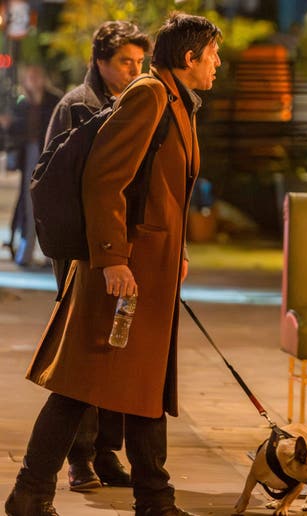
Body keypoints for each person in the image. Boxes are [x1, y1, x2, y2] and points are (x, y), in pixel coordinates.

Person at [4, 12, 221, 516]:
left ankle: (151, 497)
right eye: (213, 56)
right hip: (123, 272)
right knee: (82, 383)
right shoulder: (150, 95)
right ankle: (34, 492)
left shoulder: (177, 100)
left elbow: (162, 192)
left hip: (147, 271)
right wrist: (112, 259)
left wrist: (178, 251)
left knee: (140, 384)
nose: (217, 65)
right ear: (189, 57)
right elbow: (105, 180)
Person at [42, 20, 152, 493]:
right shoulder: (79, 106)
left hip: (117, 245)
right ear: (100, 61)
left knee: (115, 346)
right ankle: (80, 457)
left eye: (140, 62)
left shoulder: (136, 101)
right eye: (125, 61)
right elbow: (64, 182)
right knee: (84, 351)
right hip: (83, 246)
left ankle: (107, 451)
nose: (134, 70)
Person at [6, 64, 61, 267]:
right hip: (29, 155)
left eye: (36, 75)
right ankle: (26, 251)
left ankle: (49, 255)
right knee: (28, 205)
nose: (34, 80)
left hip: (49, 156)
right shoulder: (21, 102)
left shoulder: (55, 100)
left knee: (48, 204)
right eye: (30, 76)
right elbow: (15, 131)